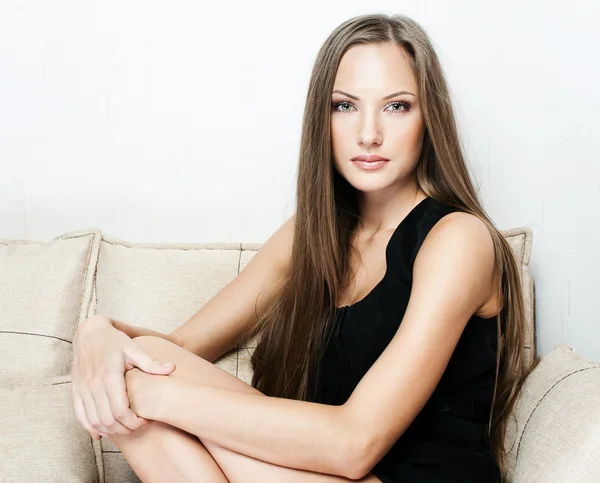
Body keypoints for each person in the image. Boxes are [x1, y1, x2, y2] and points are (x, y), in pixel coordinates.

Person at [72, 13, 538, 483]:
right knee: (145, 361)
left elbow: (355, 444)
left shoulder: (459, 238)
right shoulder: (312, 234)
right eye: (345, 106)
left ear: (429, 118)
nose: (369, 133)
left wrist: (152, 397)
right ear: (323, 116)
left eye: (397, 106)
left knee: (138, 393)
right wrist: (98, 333)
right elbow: (177, 351)